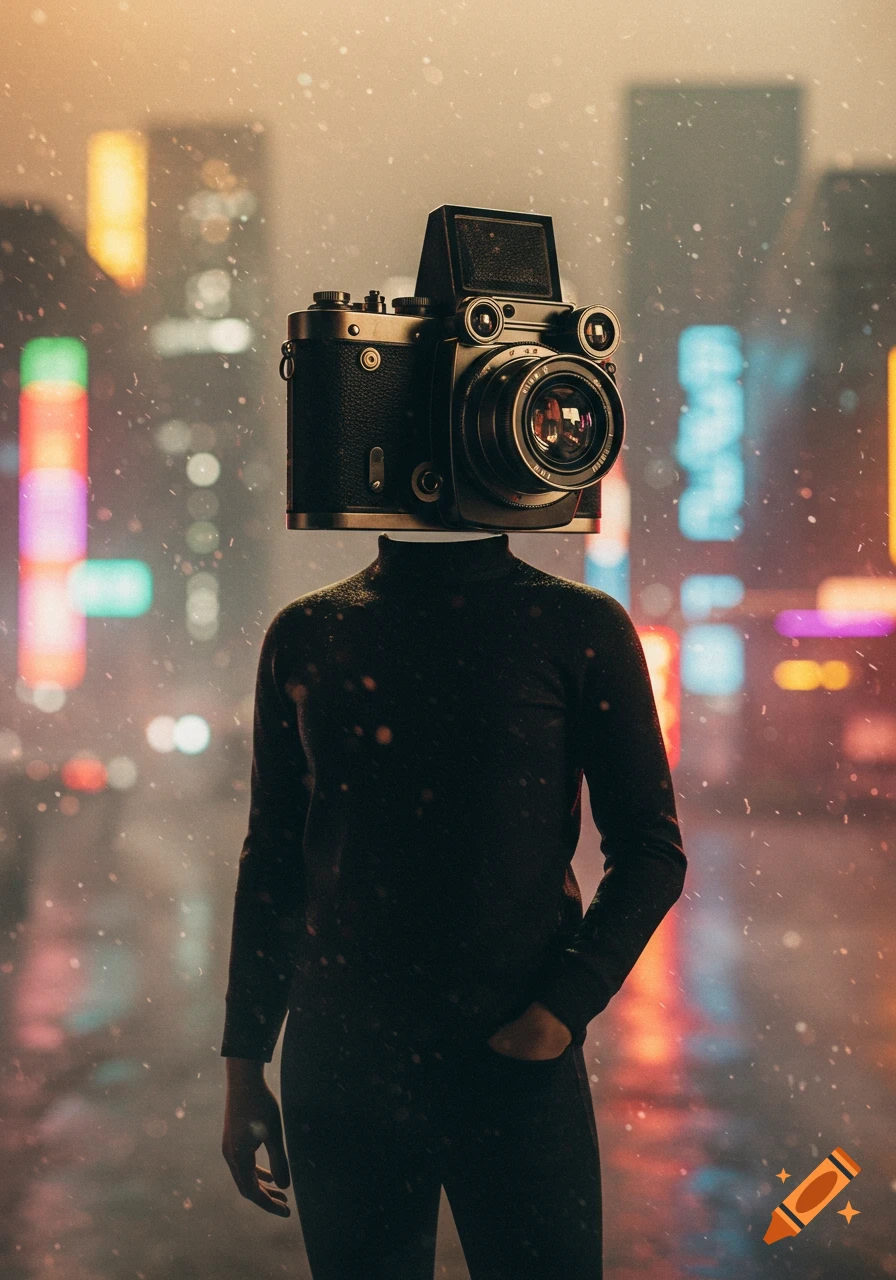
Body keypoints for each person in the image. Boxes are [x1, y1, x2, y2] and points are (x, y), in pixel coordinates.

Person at [220, 529, 686, 1280]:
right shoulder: (308, 632)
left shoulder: (575, 625)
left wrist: (562, 1009)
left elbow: (650, 852)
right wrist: (244, 1065)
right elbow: (273, 863)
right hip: (360, 1066)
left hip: (481, 1059)